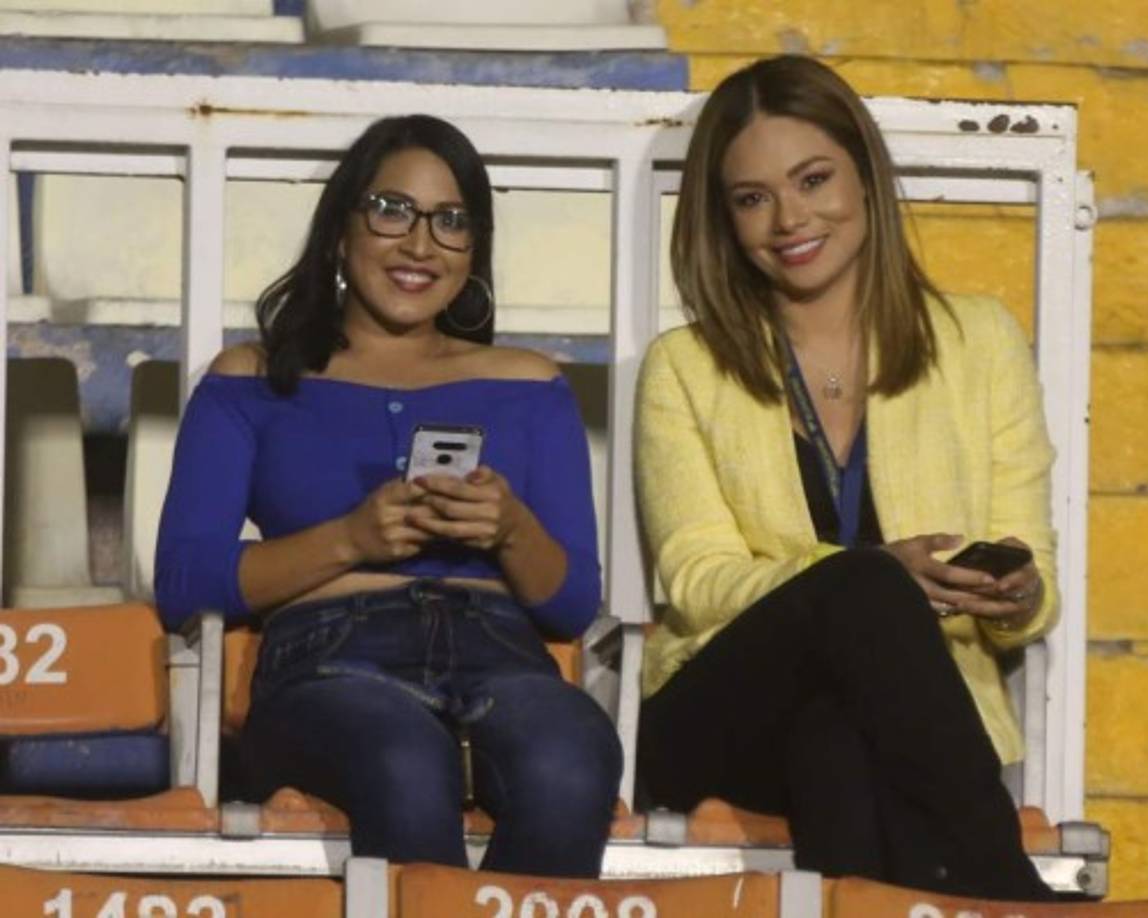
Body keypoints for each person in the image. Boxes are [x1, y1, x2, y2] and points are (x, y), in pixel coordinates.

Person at [634, 55, 1058, 901]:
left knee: (835, 745)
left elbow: (1030, 572)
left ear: (864, 175)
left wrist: (1014, 594)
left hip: (897, 724)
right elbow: (695, 580)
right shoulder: (684, 365)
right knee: (861, 585)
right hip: (718, 712)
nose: (788, 218)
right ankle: (1004, 886)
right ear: (723, 219)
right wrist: (862, 580)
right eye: (751, 197)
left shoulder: (978, 340)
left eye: (812, 179)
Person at [155, 115, 622, 877]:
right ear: (342, 230)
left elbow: (572, 604)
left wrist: (509, 530)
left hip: (499, 651)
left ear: (474, 251)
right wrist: (351, 540)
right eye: (391, 210)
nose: (419, 244)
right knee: (404, 764)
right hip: (330, 661)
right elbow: (184, 581)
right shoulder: (251, 377)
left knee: (571, 762)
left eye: (450, 221)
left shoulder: (530, 384)